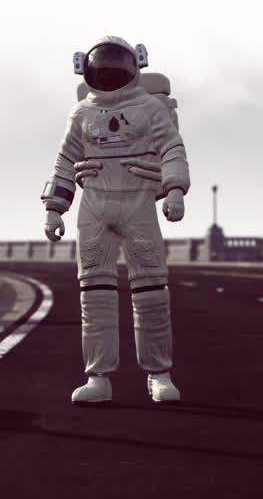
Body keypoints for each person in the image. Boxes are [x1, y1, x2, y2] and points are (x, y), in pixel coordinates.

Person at [40, 35, 191, 404]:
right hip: (94, 208)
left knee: (152, 292)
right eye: (103, 65)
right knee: (95, 296)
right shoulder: (82, 114)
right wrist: (54, 207)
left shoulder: (149, 109)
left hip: (137, 204)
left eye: (115, 65)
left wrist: (174, 189)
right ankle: (99, 378)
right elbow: (64, 161)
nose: (109, 73)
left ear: (135, 67)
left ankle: (159, 373)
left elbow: (172, 148)